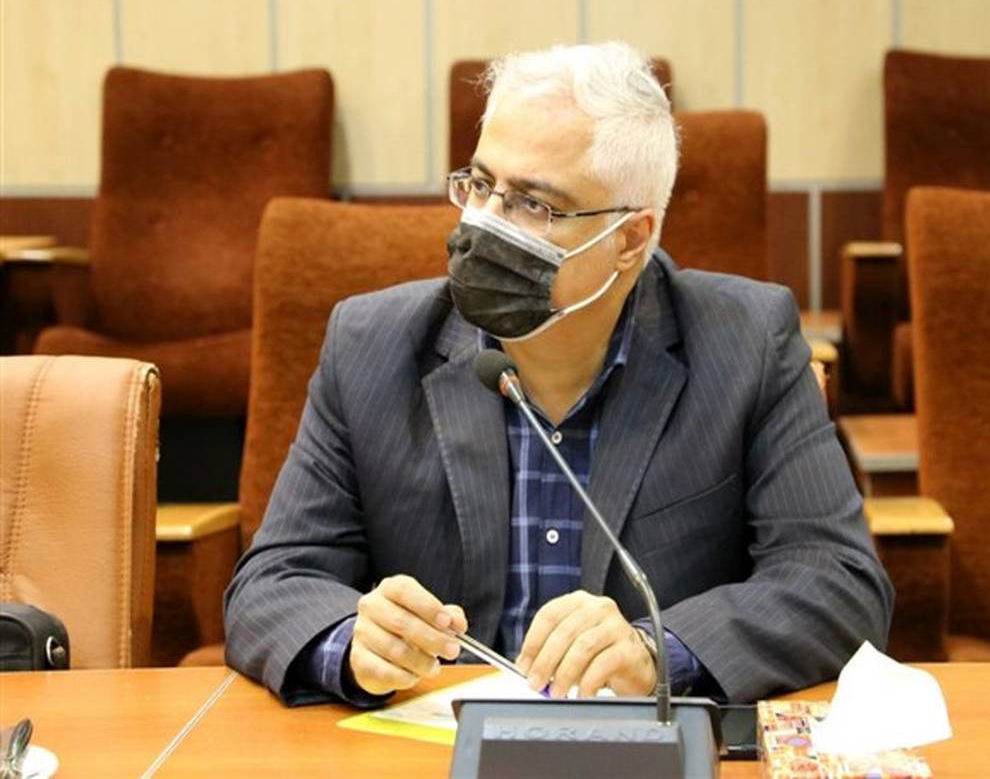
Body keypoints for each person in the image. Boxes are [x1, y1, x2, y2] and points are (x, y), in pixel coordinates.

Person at [225, 42, 892, 707]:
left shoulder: (746, 343)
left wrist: (658, 651)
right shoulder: (372, 346)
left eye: (532, 205)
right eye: (479, 185)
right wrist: (352, 642)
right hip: (430, 746)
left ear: (630, 239)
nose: (483, 225)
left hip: (641, 747)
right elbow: (272, 583)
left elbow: (838, 580)